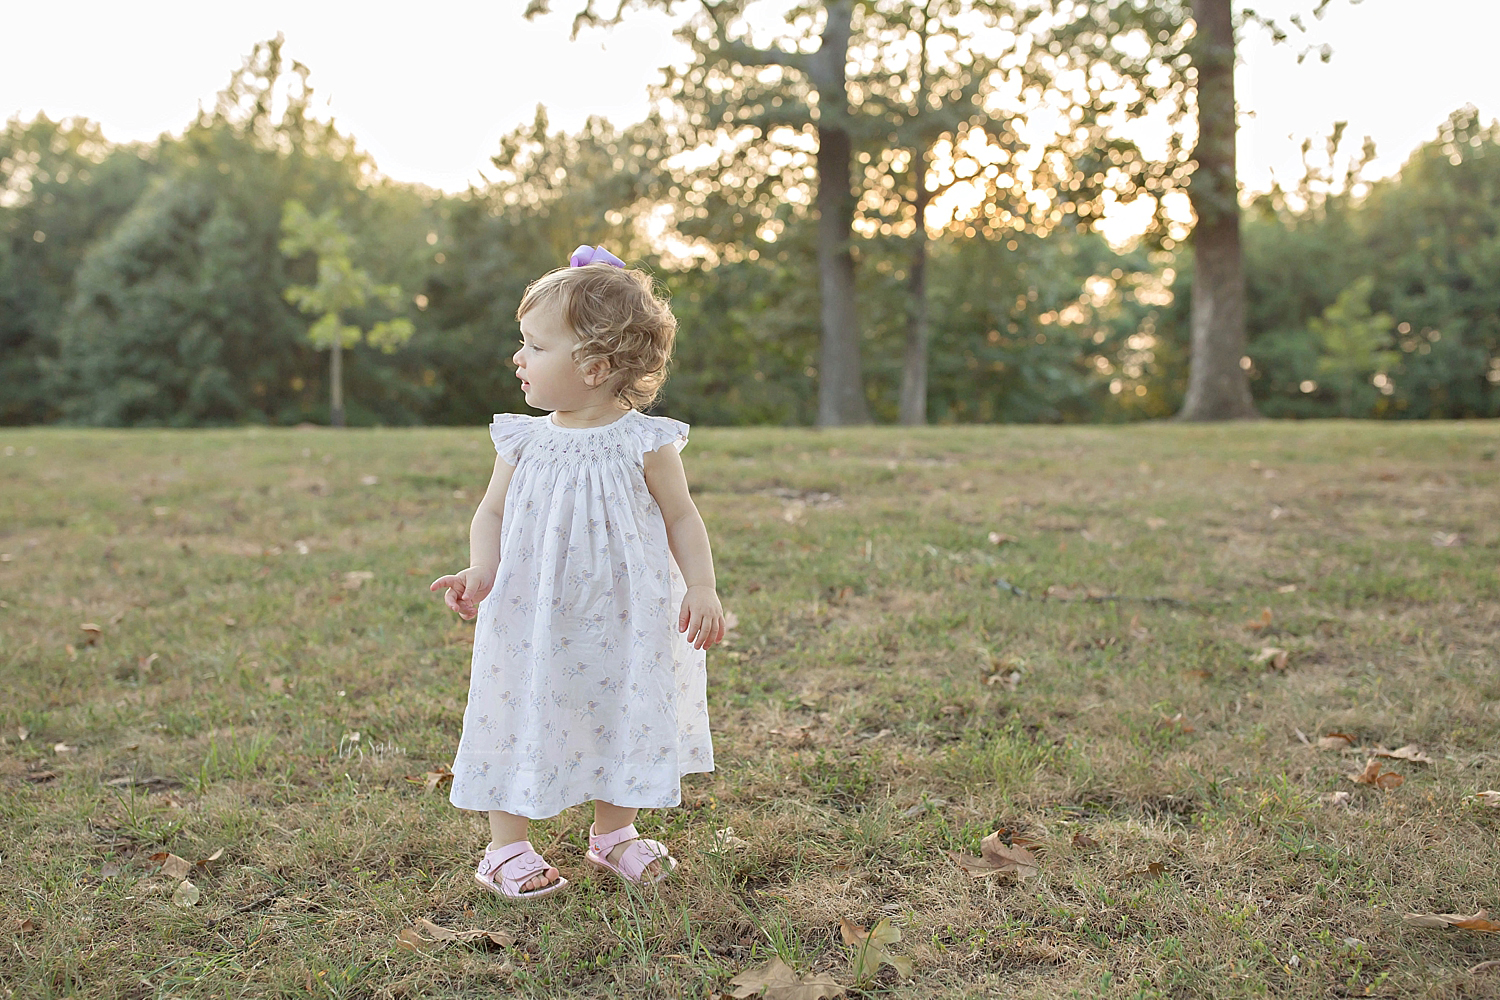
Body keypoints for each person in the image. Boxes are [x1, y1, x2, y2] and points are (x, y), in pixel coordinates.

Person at [429, 245, 724, 900]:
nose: (518, 358)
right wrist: (482, 570)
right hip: (533, 612)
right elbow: (492, 511)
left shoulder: (645, 441)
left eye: (534, 346)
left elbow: (682, 519)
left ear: (592, 366)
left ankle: (614, 834)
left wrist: (701, 585)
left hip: (624, 614)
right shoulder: (523, 439)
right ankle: (506, 845)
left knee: (620, 706)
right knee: (521, 707)